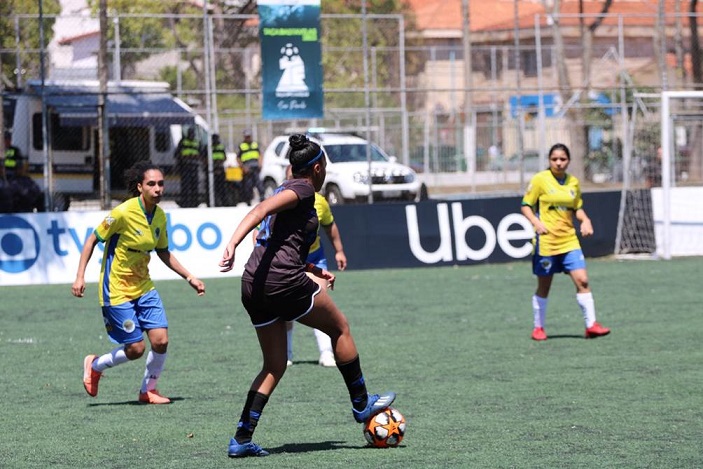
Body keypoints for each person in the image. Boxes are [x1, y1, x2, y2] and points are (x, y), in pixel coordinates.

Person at [219, 134, 395, 458]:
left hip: (253, 282)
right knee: (339, 328)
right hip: (282, 282)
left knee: (274, 365)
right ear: (316, 168)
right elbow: (259, 211)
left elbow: (278, 243)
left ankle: (241, 438)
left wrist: (312, 269)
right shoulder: (303, 189)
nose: (325, 171)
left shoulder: (286, 188)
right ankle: (361, 404)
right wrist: (231, 242)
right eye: (325, 166)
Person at [72, 161, 206, 404]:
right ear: (140, 187)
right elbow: (92, 240)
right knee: (135, 349)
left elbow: (163, 251)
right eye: (151, 184)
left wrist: (190, 277)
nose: (158, 189)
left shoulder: (160, 216)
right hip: (116, 289)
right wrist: (80, 276)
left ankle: (148, 390)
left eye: (161, 184)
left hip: (144, 287)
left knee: (161, 341)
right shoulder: (122, 213)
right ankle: (95, 365)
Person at [520, 143, 611, 341]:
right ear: (549, 160)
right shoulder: (540, 180)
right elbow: (526, 206)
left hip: (569, 241)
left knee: (583, 280)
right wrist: (536, 222)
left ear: (568, 160)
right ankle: (538, 328)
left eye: (562, 159)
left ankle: (591, 326)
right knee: (544, 286)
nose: (558, 163)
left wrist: (585, 220)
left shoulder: (573, 182)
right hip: (547, 243)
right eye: (554, 159)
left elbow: (576, 207)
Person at [285, 166, 347, 368]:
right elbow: (260, 229)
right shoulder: (280, 201)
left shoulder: (320, 202)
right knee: (286, 309)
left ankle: (326, 353)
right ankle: (286, 354)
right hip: (289, 260)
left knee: (319, 303)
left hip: (314, 257)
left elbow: (330, 226)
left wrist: (339, 251)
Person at [175, 127, 203, 208]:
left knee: (194, 185)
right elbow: (177, 154)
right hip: (185, 166)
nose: (192, 135)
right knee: (185, 185)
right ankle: (185, 202)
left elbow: (200, 154)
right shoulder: (183, 142)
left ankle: (195, 202)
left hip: (194, 166)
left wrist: (194, 157)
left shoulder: (196, 142)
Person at [237, 128, 265, 205]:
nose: (248, 138)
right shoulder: (242, 146)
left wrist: (260, 163)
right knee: (248, 186)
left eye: (249, 136)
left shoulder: (255, 144)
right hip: (247, 168)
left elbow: (260, 154)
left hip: (256, 167)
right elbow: (238, 158)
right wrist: (243, 167)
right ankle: (248, 200)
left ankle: (262, 199)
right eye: (246, 136)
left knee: (259, 184)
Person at [209, 133, 227, 206]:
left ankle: (223, 202)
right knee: (214, 188)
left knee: (222, 187)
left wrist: (220, 163)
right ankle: (214, 203)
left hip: (220, 168)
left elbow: (224, 157)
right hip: (212, 169)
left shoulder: (221, 147)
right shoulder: (209, 148)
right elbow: (204, 158)